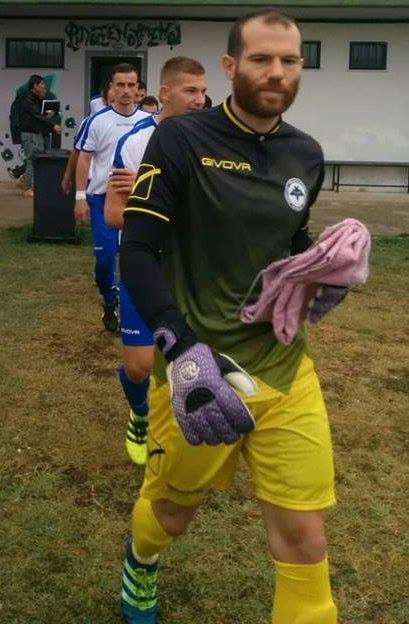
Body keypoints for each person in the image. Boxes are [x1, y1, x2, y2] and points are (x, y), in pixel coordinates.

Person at [119, 8, 339, 624]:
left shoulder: (306, 154)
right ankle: (141, 560)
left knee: (305, 537)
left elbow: (290, 243)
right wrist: (180, 347)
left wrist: (324, 266)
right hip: (199, 366)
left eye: (289, 60)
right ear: (230, 65)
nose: (276, 72)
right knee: (171, 516)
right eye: (261, 59)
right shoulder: (182, 139)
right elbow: (138, 249)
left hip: (284, 368)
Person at [104, 56, 207, 466]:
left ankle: (179, 427)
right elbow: (113, 215)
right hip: (142, 261)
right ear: (165, 93)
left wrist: (160, 195)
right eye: (190, 90)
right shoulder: (134, 143)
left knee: (187, 357)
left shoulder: (211, 143)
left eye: (203, 91)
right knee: (139, 366)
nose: (200, 100)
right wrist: (143, 196)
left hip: (190, 267)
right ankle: (140, 412)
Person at [75, 63, 149, 332]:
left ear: (139, 89)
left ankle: (136, 311)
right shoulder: (96, 121)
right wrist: (80, 197)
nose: (126, 91)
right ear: (111, 88)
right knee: (105, 259)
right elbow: (84, 159)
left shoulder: (149, 122)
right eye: (120, 85)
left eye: (131, 85)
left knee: (135, 258)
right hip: (101, 199)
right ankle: (109, 299)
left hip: (137, 199)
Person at [61, 83, 115, 196]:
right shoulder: (92, 122)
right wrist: (67, 176)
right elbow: (77, 151)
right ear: (104, 100)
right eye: (112, 101)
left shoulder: (140, 121)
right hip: (97, 188)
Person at [19, 75, 62, 197]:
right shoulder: (28, 99)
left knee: (36, 159)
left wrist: (48, 115)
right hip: (29, 133)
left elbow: (39, 116)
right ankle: (28, 188)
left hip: (36, 133)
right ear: (35, 85)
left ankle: (24, 179)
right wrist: (53, 126)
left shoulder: (37, 98)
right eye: (42, 84)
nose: (44, 86)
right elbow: (36, 116)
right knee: (31, 159)